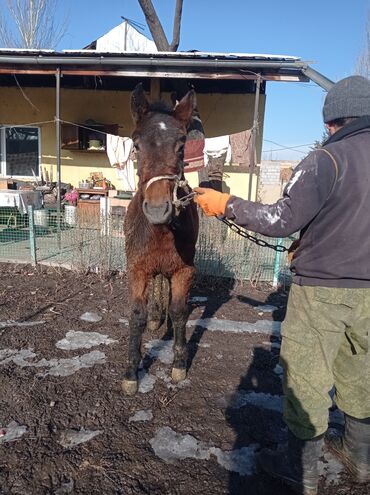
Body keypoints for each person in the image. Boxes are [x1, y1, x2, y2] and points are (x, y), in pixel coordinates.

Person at [194, 75, 370, 495]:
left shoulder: (327, 159)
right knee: (362, 369)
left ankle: (299, 470)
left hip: (324, 290)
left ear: (333, 121)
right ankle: (362, 461)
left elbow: (280, 219)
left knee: (306, 376)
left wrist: (226, 205)